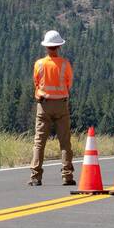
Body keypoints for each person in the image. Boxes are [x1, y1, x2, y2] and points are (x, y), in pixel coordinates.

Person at [29, 30, 75, 187]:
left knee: (39, 142)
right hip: (61, 104)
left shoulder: (39, 64)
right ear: (59, 46)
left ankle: (36, 176)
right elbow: (69, 84)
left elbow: (36, 82)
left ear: (47, 47)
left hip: (44, 104)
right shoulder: (65, 64)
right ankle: (67, 176)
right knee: (64, 141)